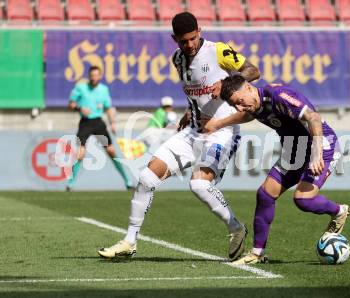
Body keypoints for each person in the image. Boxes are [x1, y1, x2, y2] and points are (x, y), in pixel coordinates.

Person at [98, 12, 260, 261]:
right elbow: (197, 91)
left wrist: (227, 83)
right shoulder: (177, 60)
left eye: (193, 38)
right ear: (174, 39)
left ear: (200, 31)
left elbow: (253, 70)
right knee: (146, 178)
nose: (190, 45)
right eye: (183, 41)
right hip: (193, 130)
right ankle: (129, 241)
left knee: (198, 185)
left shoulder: (219, 51)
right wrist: (189, 112)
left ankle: (236, 228)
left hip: (222, 131)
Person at [202, 75, 350, 264]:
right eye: (234, 105)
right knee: (265, 195)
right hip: (294, 153)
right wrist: (217, 124)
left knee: (303, 200)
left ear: (248, 88)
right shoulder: (253, 104)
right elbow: (248, 114)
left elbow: (313, 117)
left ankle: (339, 211)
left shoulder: (278, 95)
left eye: (239, 101)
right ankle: (256, 253)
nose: (239, 107)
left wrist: (317, 154)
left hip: (322, 147)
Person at [67, 66, 132, 191]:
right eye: (92, 75)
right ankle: (70, 184)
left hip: (98, 123)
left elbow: (108, 108)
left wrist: (112, 122)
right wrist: (79, 108)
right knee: (80, 153)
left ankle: (127, 181)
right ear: (89, 76)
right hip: (85, 123)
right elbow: (71, 104)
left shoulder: (104, 89)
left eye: (96, 75)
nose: (94, 77)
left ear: (100, 76)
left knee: (112, 152)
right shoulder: (81, 88)